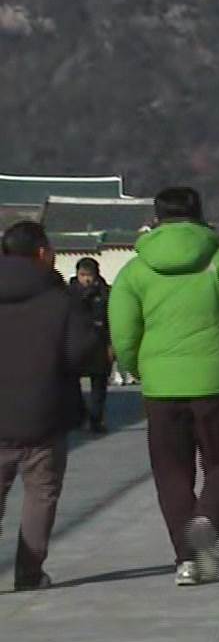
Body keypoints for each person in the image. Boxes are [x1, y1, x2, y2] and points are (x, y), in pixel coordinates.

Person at [109, 186, 219, 586]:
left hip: (161, 390)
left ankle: (186, 561)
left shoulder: (135, 270)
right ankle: (208, 521)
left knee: (171, 473)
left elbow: (123, 333)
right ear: (200, 216)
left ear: (155, 219)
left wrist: (139, 368)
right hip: (214, 385)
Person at [0, 221, 99, 589]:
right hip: (44, 413)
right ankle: (29, 574)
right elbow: (81, 352)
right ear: (42, 253)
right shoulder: (60, 300)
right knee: (40, 495)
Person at [68, 256, 113, 433]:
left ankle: (96, 420)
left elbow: (111, 320)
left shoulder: (105, 293)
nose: (86, 279)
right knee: (71, 383)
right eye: (82, 275)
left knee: (99, 385)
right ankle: (80, 415)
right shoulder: (68, 293)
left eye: (89, 275)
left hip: (99, 342)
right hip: (75, 343)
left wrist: (112, 345)